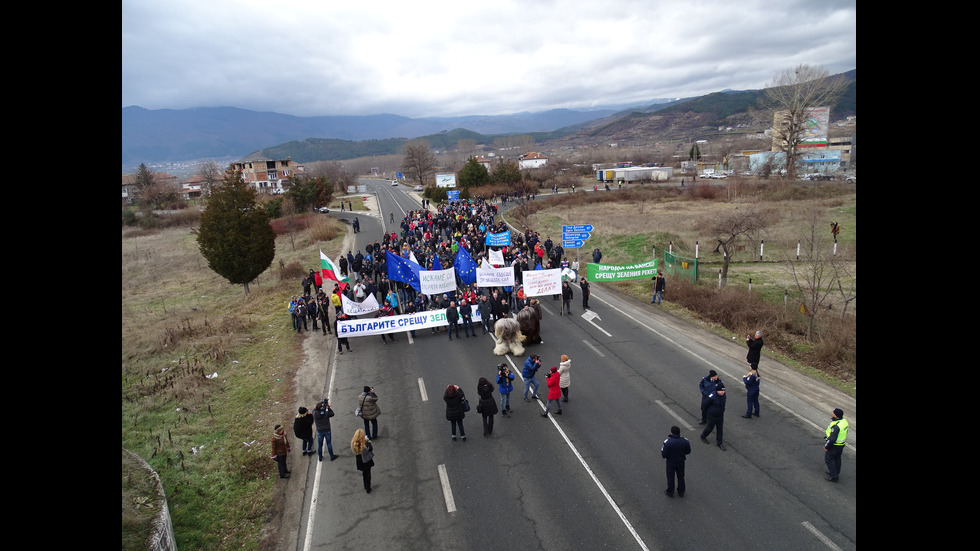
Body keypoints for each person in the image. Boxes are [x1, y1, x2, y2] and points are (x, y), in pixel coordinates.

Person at [661, 426, 691, 497]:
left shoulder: (668, 442)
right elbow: (688, 451)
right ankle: (681, 491)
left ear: (672, 432)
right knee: (681, 477)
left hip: (671, 462)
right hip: (681, 462)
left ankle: (670, 491)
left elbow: (664, 454)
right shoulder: (685, 441)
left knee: (670, 477)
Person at [824, 408, 849, 482]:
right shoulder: (844, 422)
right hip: (841, 444)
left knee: (828, 459)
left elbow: (832, 439)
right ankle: (836, 472)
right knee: (837, 459)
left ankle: (834, 476)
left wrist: (827, 446)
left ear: (836, 415)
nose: (832, 412)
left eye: (833, 412)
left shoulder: (836, 426)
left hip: (834, 445)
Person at [699, 385, 727, 451]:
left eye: (724, 390)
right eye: (721, 391)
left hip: (720, 415)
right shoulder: (712, 396)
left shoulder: (723, 395)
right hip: (712, 415)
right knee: (710, 428)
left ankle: (719, 443)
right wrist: (708, 413)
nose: (723, 392)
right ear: (717, 390)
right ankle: (703, 436)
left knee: (720, 429)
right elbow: (705, 405)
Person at [351, 429, 374, 493]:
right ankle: (368, 487)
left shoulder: (354, 443)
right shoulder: (365, 442)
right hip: (366, 460)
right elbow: (371, 449)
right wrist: (369, 441)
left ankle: (365, 485)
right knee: (368, 473)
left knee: (364, 473)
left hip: (360, 460)